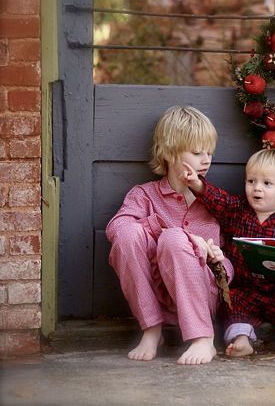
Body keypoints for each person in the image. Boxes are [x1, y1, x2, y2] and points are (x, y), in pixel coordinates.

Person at [106, 106, 233, 365]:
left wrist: (215, 258)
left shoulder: (214, 201)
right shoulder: (144, 195)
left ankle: (203, 339)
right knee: (131, 233)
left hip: (202, 293)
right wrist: (169, 230)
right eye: (197, 153)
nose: (206, 160)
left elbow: (230, 266)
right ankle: (152, 330)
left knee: (175, 240)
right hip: (156, 295)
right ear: (169, 153)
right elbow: (116, 230)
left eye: (209, 152)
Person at [182, 148, 275, 359]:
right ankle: (241, 341)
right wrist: (196, 184)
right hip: (245, 289)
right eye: (251, 181)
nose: (256, 188)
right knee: (233, 304)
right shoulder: (238, 209)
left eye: (267, 183)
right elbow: (217, 200)